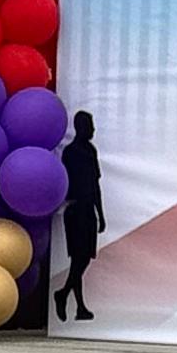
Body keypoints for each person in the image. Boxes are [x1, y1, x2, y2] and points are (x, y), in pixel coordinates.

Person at [57, 110, 105, 323]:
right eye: (90, 125)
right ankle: (66, 296)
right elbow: (65, 181)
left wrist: (100, 214)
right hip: (76, 210)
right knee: (79, 258)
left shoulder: (90, 151)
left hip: (88, 210)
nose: (93, 129)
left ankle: (76, 304)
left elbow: (95, 185)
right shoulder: (71, 152)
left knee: (83, 258)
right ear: (81, 127)